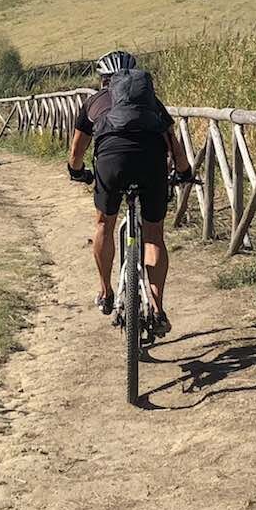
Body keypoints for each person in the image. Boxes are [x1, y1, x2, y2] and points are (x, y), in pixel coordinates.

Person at [67, 49, 195, 335]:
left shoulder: (94, 102)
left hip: (112, 162)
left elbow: (77, 151)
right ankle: (158, 309)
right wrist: (185, 172)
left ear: (103, 79)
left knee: (103, 224)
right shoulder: (151, 104)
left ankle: (105, 292)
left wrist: (78, 172)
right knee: (153, 235)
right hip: (151, 161)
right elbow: (173, 144)